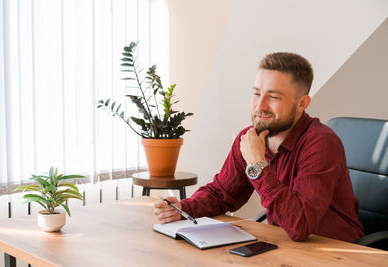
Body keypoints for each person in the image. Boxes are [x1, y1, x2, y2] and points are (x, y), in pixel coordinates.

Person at [154, 52, 364, 242]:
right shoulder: (249, 139)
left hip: (337, 252)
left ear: (302, 103)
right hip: (286, 247)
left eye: (273, 97)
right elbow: (222, 193)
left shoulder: (322, 143)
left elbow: (300, 226)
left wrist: (257, 164)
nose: (259, 106)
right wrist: (183, 208)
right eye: (256, 93)